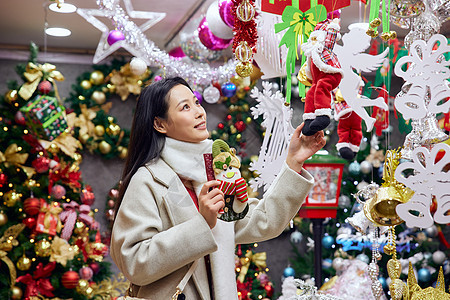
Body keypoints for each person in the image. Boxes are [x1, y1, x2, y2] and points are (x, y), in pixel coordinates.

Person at [110, 77, 326, 300]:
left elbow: (264, 221)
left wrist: (293, 163)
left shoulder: (213, 173)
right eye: (185, 107)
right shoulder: (148, 179)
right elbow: (134, 262)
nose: (199, 112)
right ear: (160, 124)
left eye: (196, 102)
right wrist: (202, 224)